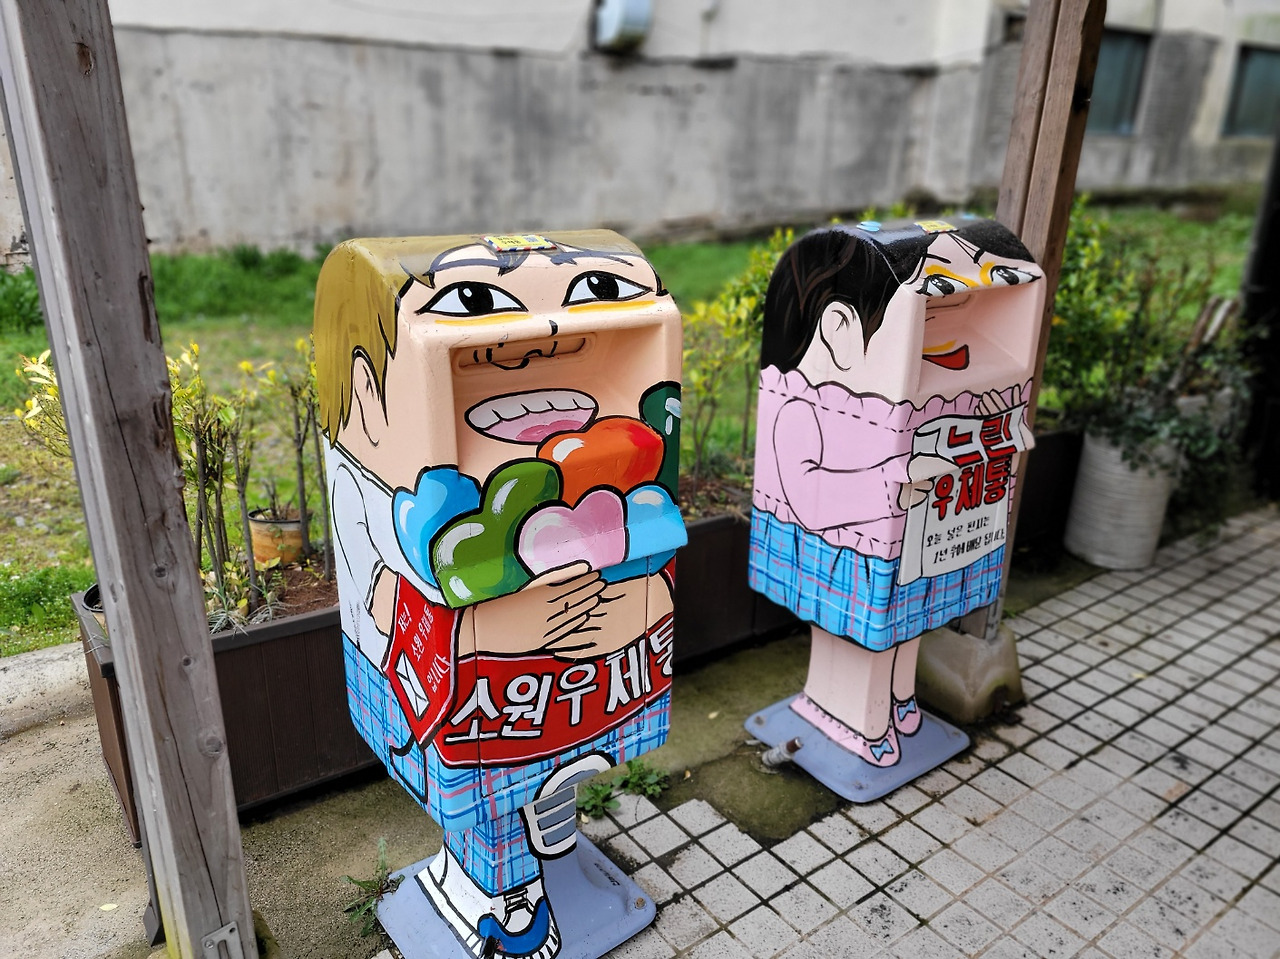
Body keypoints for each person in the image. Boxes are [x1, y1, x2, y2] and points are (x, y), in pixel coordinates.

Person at [315, 232, 684, 959]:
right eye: (477, 302)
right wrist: (517, 628)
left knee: (555, 768)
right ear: (364, 389)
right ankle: (498, 896)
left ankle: (545, 858)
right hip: (482, 689)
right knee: (489, 791)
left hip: (562, 687)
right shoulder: (370, 493)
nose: (535, 343)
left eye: (595, 293)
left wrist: (633, 606)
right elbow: (387, 601)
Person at [750, 217, 1041, 768]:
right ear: (838, 326)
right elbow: (806, 491)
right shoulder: (799, 406)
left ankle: (897, 699)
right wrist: (893, 480)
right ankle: (848, 714)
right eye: (932, 302)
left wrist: (997, 431)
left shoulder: (912, 392)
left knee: (904, 623)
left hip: (915, 544)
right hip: (846, 551)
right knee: (855, 630)